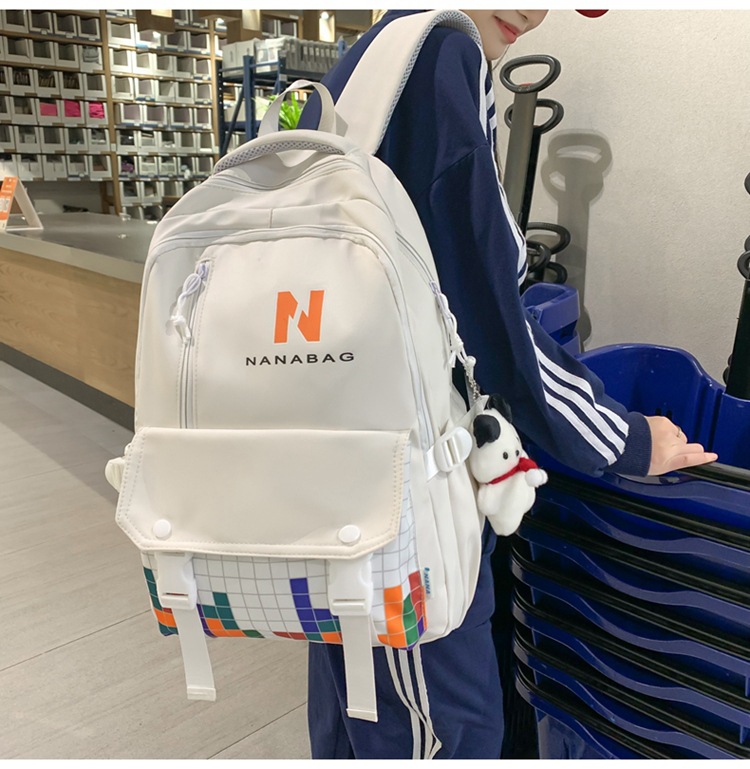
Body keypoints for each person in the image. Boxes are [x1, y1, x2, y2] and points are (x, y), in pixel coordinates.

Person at [299, 9, 718, 760]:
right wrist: (627, 439)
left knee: (357, 714)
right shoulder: (440, 55)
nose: (535, 10)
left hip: (334, 482)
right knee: (444, 733)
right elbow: (489, 328)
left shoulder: (369, 59)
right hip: (402, 506)